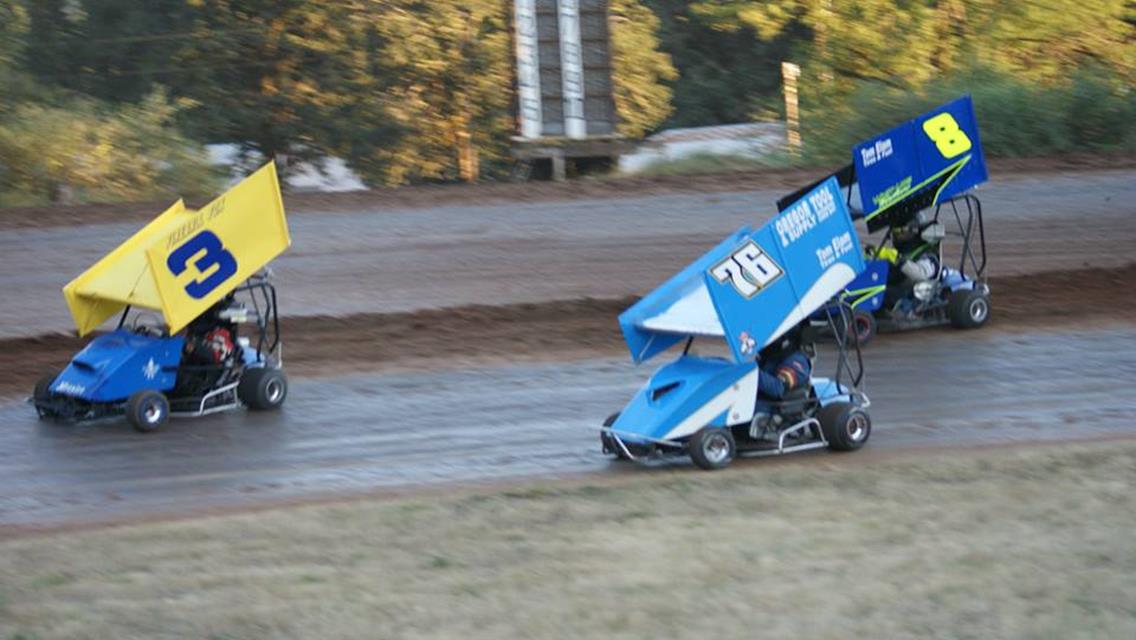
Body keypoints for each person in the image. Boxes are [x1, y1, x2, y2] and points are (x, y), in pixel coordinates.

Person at [756, 326, 811, 400]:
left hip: (766, 403)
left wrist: (750, 372)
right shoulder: (768, 352)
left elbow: (778, 387)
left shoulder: (797, 361)